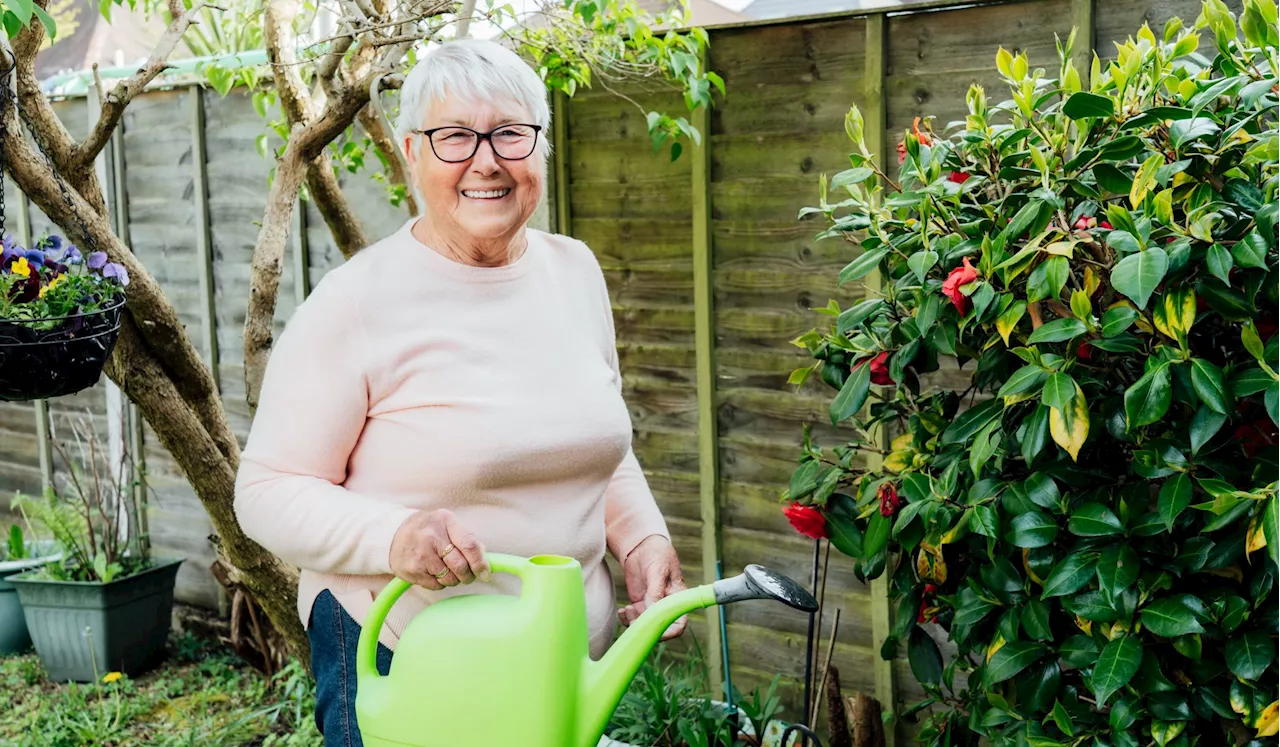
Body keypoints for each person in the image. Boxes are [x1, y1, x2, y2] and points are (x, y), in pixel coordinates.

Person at [233, 37, 688, 747]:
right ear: (413, 152)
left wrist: (641, 536)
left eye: (510, 133)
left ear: (540, 148)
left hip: (552, 657)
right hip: (406, 652)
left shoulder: (575, 272)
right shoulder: (356, 303)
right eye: (455, 137)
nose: (486, 159)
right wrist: (395, 535)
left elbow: (597, 436)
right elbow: (264, 489)